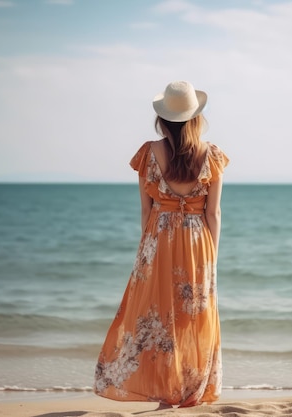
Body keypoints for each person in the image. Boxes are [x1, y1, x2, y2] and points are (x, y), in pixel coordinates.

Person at [94, 80, 229, 408]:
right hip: (198, 241)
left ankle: (165, 391)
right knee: (192, 316)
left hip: (159, 238)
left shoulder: (149, 153)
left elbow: (146, 209)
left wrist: (147, 249)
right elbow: (214, 213)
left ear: (162, 120)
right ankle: (189, 391)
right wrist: (212, 256)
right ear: (196, 118)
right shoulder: (211, 155)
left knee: (156, 313)